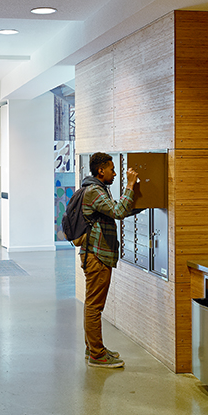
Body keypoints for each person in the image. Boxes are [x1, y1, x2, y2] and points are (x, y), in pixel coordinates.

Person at [78, 152, 138, 368]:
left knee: (93, 304)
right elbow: (117, 211)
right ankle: (97, 355)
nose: (115, 173)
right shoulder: (94, 191)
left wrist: (141, 204)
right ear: (101, 170)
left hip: (96, 254)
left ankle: (93, 347)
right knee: (95, 306)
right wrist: (130, 185)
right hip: (97, 256)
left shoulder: (97, 189)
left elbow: (113, 212)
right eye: (112, 169)